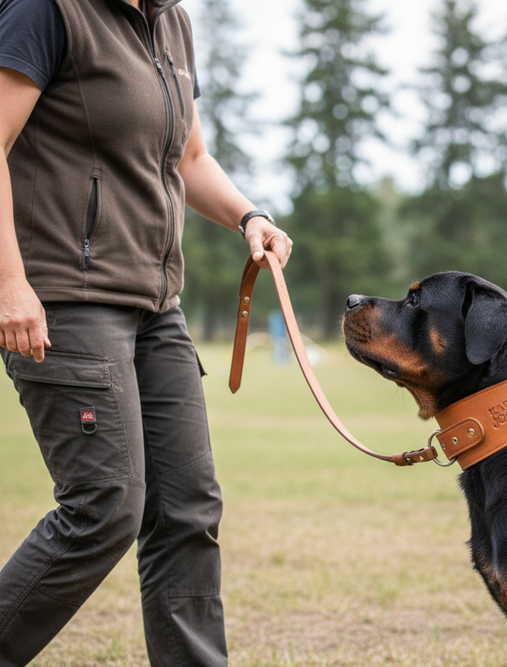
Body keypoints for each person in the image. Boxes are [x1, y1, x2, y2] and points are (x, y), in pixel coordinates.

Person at [0, 0, 292, 664]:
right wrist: (9, 282)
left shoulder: (172, 22)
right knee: (104, 506)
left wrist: (250, 215)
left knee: (187, 511)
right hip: (65, 299)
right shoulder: (47, 11)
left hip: (157, 307)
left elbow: (189, 159)